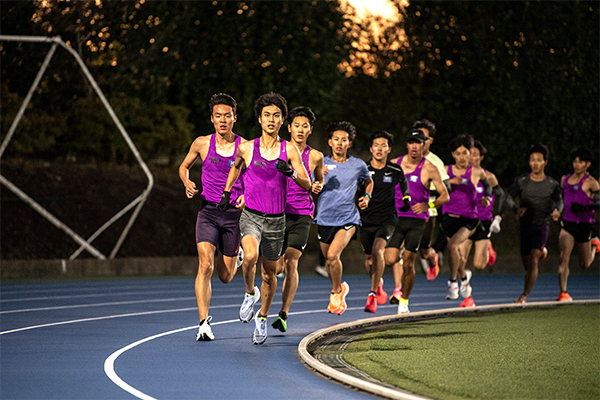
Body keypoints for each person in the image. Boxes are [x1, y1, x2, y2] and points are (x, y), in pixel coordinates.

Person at [218, 92, 311, 345]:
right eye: (267, 115)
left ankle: (261, 318)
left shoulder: (289, 149)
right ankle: (250, 293)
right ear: (259, 119)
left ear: (283, 121)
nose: (271, 119)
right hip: (251, 216)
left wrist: (291, 173)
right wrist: (227, 191)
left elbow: (307, 183)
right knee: (249, 256)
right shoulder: (247, 147)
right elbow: (236, 166)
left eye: (277, 115)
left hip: (277, 220)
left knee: (270, 274)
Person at [178, 93, 246, 341]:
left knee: (225, 276)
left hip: (233, 216)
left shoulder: (245, 147)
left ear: (234, 118)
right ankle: (203, 323)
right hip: (207, 211)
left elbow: (255, 179)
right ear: (212, 119)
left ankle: (235, 256)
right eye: (218, 116)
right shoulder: (201, 143)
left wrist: (246, 196)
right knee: (205, 264)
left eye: (227, 116)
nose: (223, 120)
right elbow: (183, 166)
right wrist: (186, 181)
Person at [384, 128, 449, 313]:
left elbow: (445, 196)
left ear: (423, 145)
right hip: (397, 218)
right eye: (411, 143)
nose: (414, 147)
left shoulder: (429, 168)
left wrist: (428, 206)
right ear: (406, 145)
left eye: (418, 143)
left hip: (417, 221)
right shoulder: (395, 164)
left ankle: (404, 300)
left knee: (410, 261)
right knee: (390, 258)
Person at [271, 106, 324, 332]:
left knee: (292, 261)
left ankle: (283, 313)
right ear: (289, 127)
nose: (301, 130)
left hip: (301, 213)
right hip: (276, 212)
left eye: (305, 126)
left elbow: (318, 181)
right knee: (274, 267)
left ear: (310, 130)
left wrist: (318, 185)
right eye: (297, 126)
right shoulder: (277, 149)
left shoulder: (315, 156)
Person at [314, 121, 373, 315]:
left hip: (348, 218)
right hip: (323, 218)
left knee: (332, 256)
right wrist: (316, 177)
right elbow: (309, 183)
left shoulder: (358, 165)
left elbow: (369, 181)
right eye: (336, 139)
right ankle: (340, 287)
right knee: (329, 261)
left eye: (344, 140)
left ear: (350, 143)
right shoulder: (320, 161)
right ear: (330, 142)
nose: (340, 143)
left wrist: (366, 196)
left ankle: (335, 292)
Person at [359, 130, 410, 313]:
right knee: (369, 260)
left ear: (389, 149)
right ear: (371, 149)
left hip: (387, 219)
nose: (379, 149)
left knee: (378, 250)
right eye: (376, 145)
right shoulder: (363, 169)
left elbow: (403, 183)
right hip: (366, 219)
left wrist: (406, 199)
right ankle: (377, 282)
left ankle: (372, 295)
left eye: (384, 145)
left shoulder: (395, 170)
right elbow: (355, 189)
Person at [506, 143, 562, 303]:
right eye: (532, 160)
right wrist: (516, 210)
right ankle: (540, 252)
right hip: (525, 225)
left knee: (533, 259)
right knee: (527, 264)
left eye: (539, 160)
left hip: (542, 224)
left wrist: (557, 211)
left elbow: (560, 201)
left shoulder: (552, 184)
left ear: (545, 162)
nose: (535, 163)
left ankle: (524, 296)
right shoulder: (522, 181)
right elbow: (509, 197)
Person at [441, 134, 492, 307]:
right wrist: (449, 183)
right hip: (449, 217)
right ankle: (464, 278)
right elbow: (436, 189)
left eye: (465, 153)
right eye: (458, 153)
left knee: (453, 246)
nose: (462, 157)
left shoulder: (476, 171)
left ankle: (453, 282)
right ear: (453, 155)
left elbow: (488, 187)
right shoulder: (445, 170)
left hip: (470, 219)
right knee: (457, 255)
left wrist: (487, 198)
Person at [556, 147, 599, 301]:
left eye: (580, 162)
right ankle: (563, 292)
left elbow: (599, 202)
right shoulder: (564, 180)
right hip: (568, 224)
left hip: (584, 225)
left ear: (587, 164)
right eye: (575, 161)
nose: (576, 164)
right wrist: (557, 210)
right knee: (563, 258)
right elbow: (560, 198)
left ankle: (595, 245)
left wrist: (585, 207)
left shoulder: (591, 182)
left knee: (584, 264)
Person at [412, 119, 451, 281]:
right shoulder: (407, 160)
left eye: (425, 138)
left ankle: (432, 258)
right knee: (400, 249)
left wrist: (425, 190)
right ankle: (398, 290)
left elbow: (447, 188)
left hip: (428, 212)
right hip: (406, 212)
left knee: (424, 250)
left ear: (430, 141)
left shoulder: (435, 162)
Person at [461, 140, 505, 270]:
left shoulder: (489, 177)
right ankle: (464, 281)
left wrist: (498, 218)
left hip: (483, 221)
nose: (470, 157)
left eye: (474, 154)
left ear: (481, 157)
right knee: (460, 259)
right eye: (469, 154)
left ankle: (488, 247)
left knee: (479, 265)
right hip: (466, 221)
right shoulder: (461, 175)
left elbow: (501, 195)